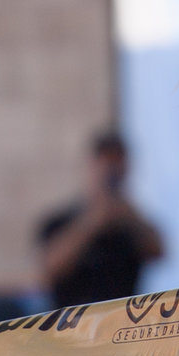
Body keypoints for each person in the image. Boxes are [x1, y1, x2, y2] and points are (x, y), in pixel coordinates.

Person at [38, 128, 165, 309]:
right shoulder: (61, 220)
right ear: (91, 166)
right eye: (106, 164)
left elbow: (159, 251)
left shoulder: (129, 222)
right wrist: (93, 221)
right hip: (70, 322)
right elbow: (50, 269)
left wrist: (128, 216)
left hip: (122, 320)